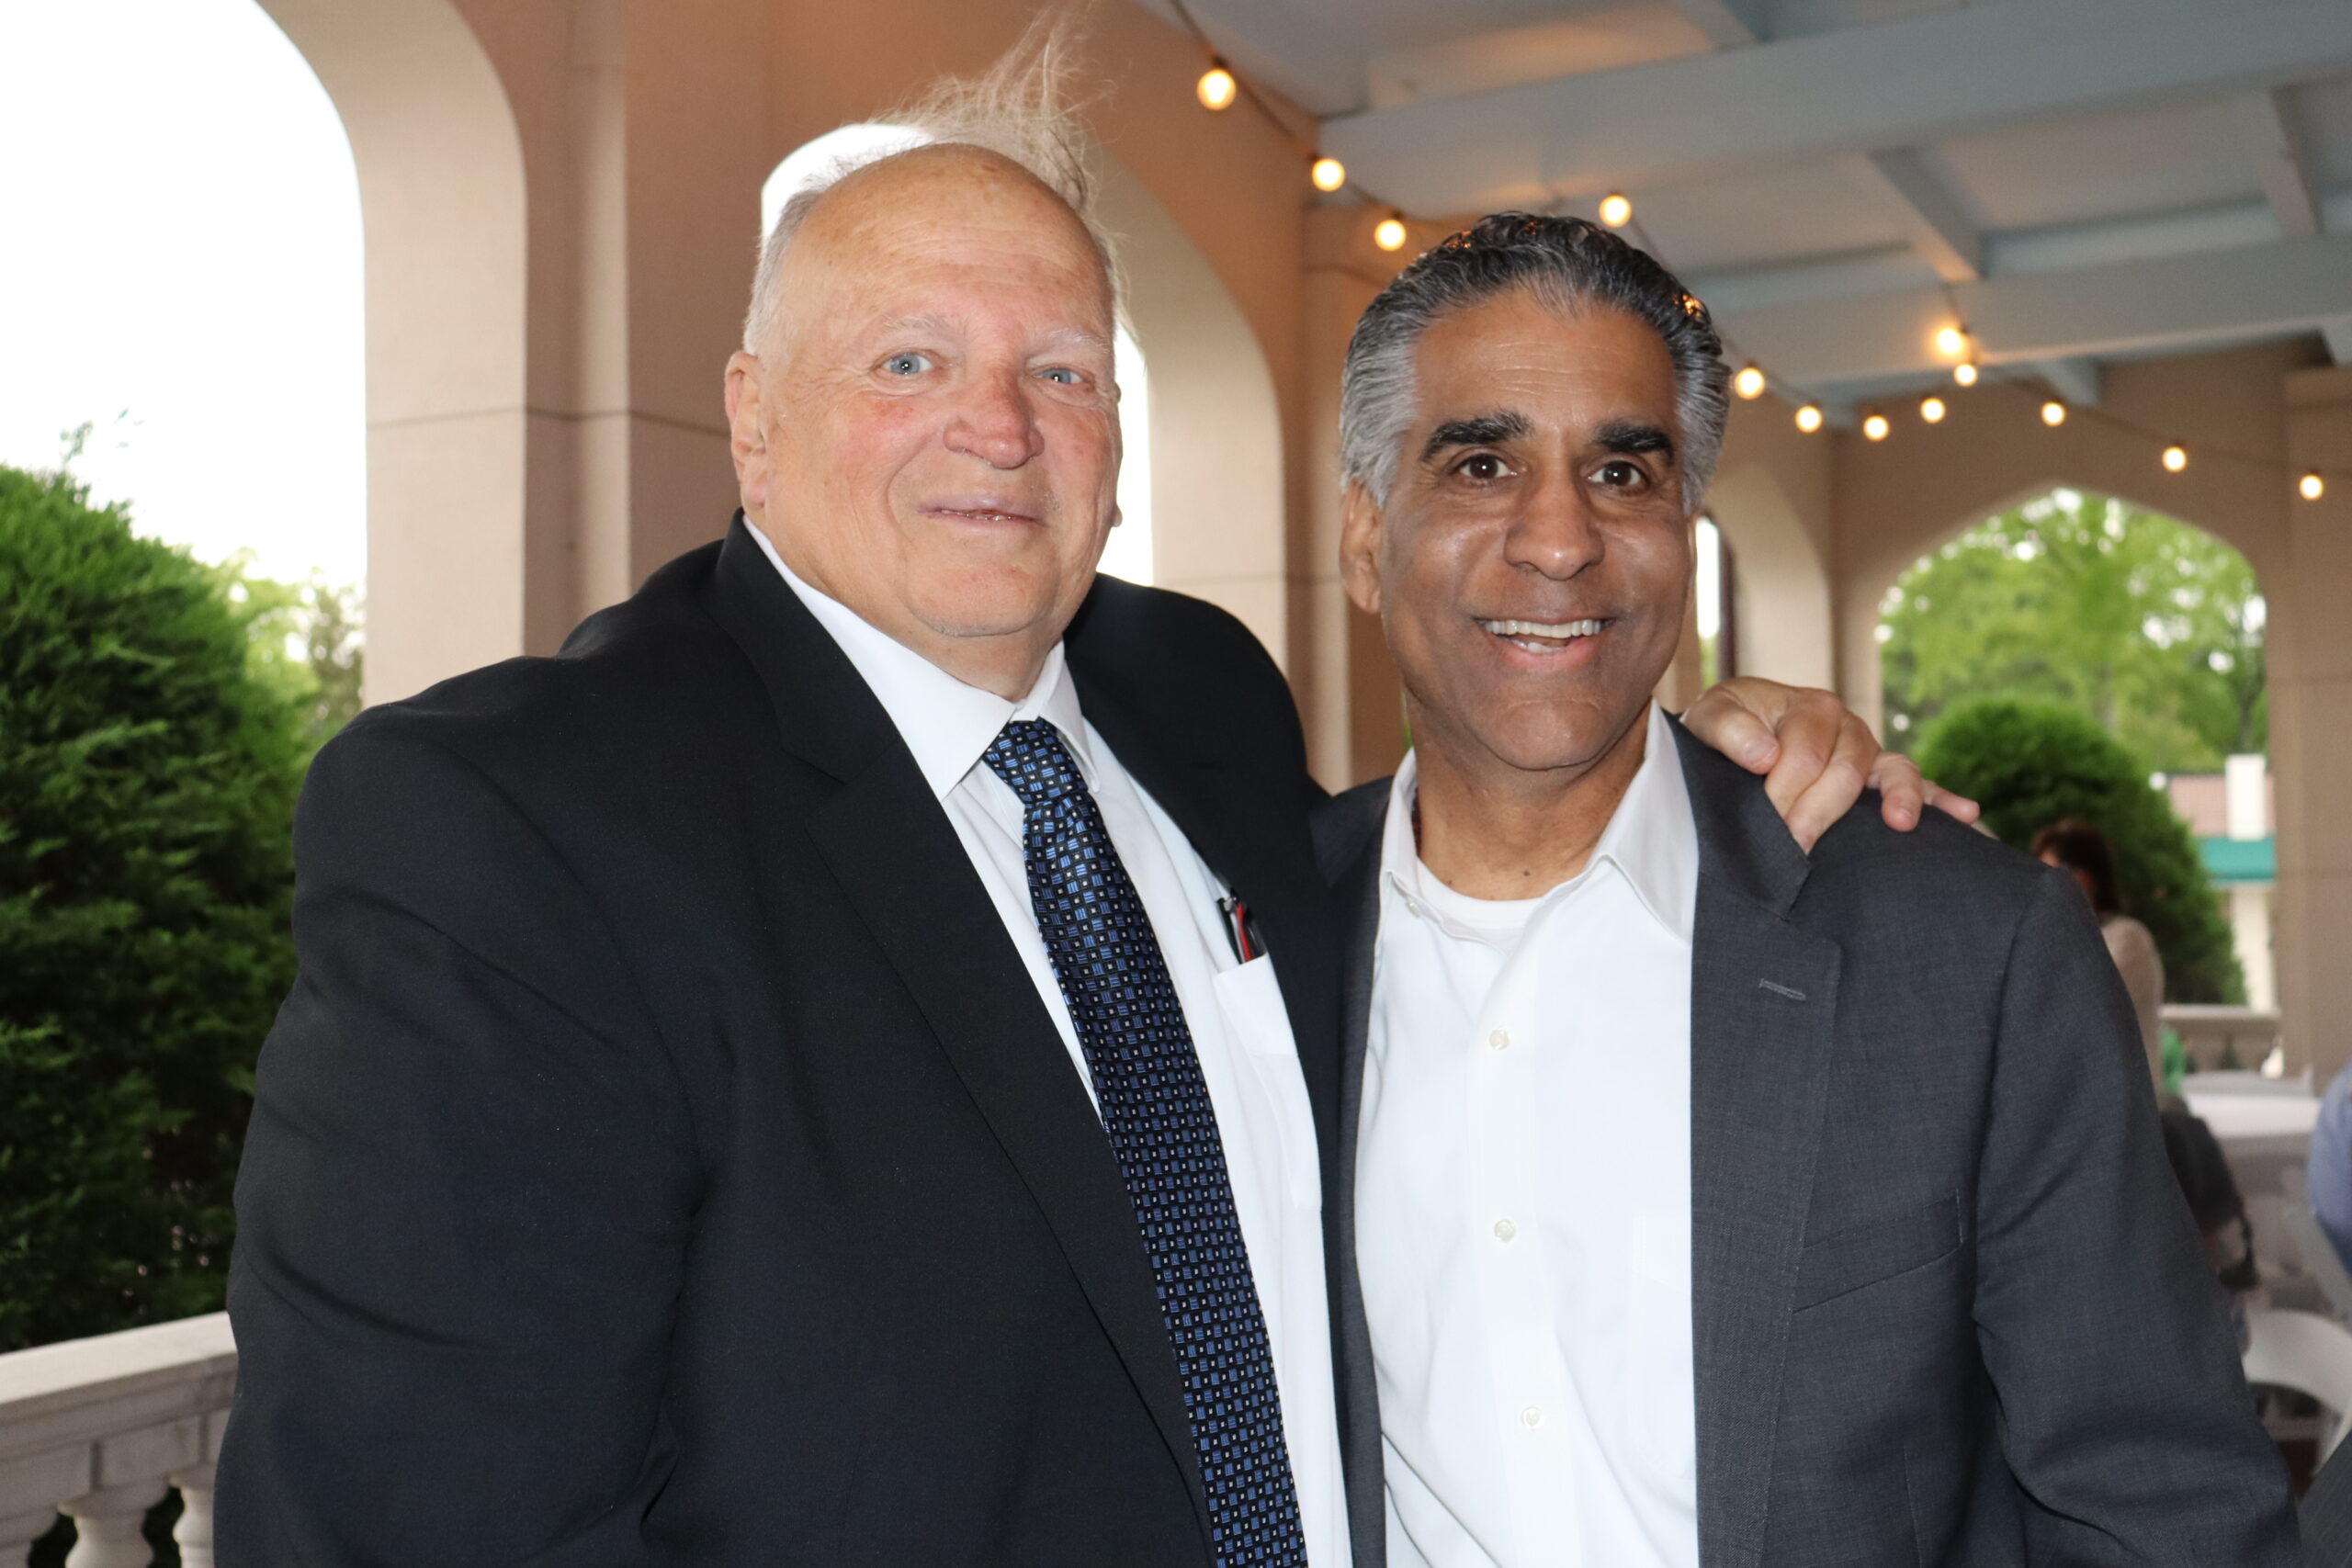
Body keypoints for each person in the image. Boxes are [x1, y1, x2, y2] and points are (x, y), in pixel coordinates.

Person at [211, 35, 1948, 1565]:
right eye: (908, 361)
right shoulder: (519, 827)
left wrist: (1701, 750)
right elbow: (419, 1519)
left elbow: (1467, 927)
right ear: (752, 418)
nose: (999, 426)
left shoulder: (1200, 699)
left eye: (1060, 368)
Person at [1312, 213, 2299, 1566]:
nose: (1560, 538)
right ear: (1365, 535)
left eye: (1621, 471)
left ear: (1684, 531)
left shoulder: (1966, 951)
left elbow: (2164, 1509)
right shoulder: (1246, 939)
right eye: (1482, 463)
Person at [2035, 817, 2167, 1086]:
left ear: (2086, 878)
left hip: (2124, 1101)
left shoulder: (2128, 939)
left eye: (2051, 872)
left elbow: (2077, 1006)